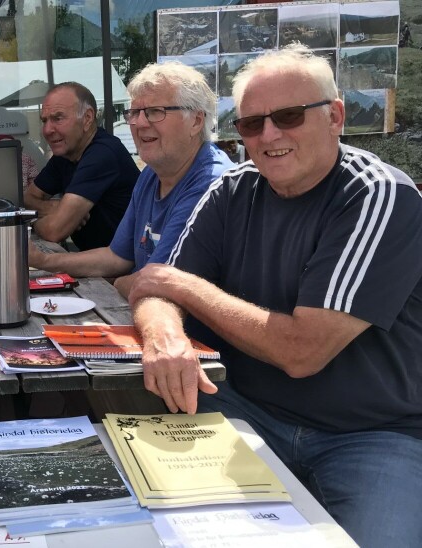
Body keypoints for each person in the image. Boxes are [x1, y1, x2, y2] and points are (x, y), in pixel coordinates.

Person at [128, 45, 422, 547]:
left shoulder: (377, 195)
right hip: (248, 410)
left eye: (287, 117)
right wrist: (165, 337)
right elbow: (151, 292)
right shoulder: (233, 190)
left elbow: (302, 351)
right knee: (146, 524)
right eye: (250, 124)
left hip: (372, 433)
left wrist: (180, 285)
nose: (268, 136)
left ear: (335, 116)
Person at [29, 63, 233, 299]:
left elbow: (153, 283)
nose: (140, 123)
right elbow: (117, 257)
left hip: (182, 333)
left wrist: (116, 283)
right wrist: (43, 260)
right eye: (135, 112)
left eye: (156, 111)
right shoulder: (151, 175)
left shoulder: (210, 183)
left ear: (196, 121)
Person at [25, 82, 139, 251]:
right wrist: (54, 208)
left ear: (87, 118)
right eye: (44, 120)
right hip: (96, 262)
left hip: (125, 269)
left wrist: (32, 222)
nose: (47, 129)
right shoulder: (66, 152)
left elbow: (54, 230)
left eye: (58, 118)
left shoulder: (102, 153)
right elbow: (27, 199)